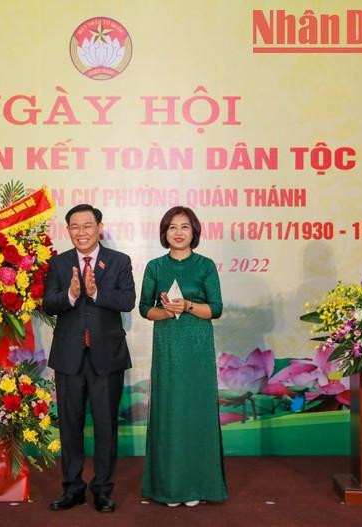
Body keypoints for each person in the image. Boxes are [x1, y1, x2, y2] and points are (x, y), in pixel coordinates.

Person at [43, 204, 136, 513]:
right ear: (68, 230)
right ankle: (72, 489)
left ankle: (103, 490)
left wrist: (95, 293)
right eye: (74, 227)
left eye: (87, 226)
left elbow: (127, 301)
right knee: (69, 425)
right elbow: (48, 304)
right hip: (69, 357)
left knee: (106, 426)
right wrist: (70, 295)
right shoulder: (59, 263)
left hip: (106, 358)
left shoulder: (119, 262)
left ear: (99, 227)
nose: (81, 232)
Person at [139, 206, 227, 507]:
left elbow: (215, 309)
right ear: (165, 232)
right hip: (168, 345)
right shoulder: (155, 267)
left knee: (195, 410)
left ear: (194, 232)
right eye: (172, 227)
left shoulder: (205, 265)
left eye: (184, 227)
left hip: (197, 346)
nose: (178, 232)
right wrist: (165, 311)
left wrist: (187, 305)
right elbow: (144, 309)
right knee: (170, 410)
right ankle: (169, 486)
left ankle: (198, 484)